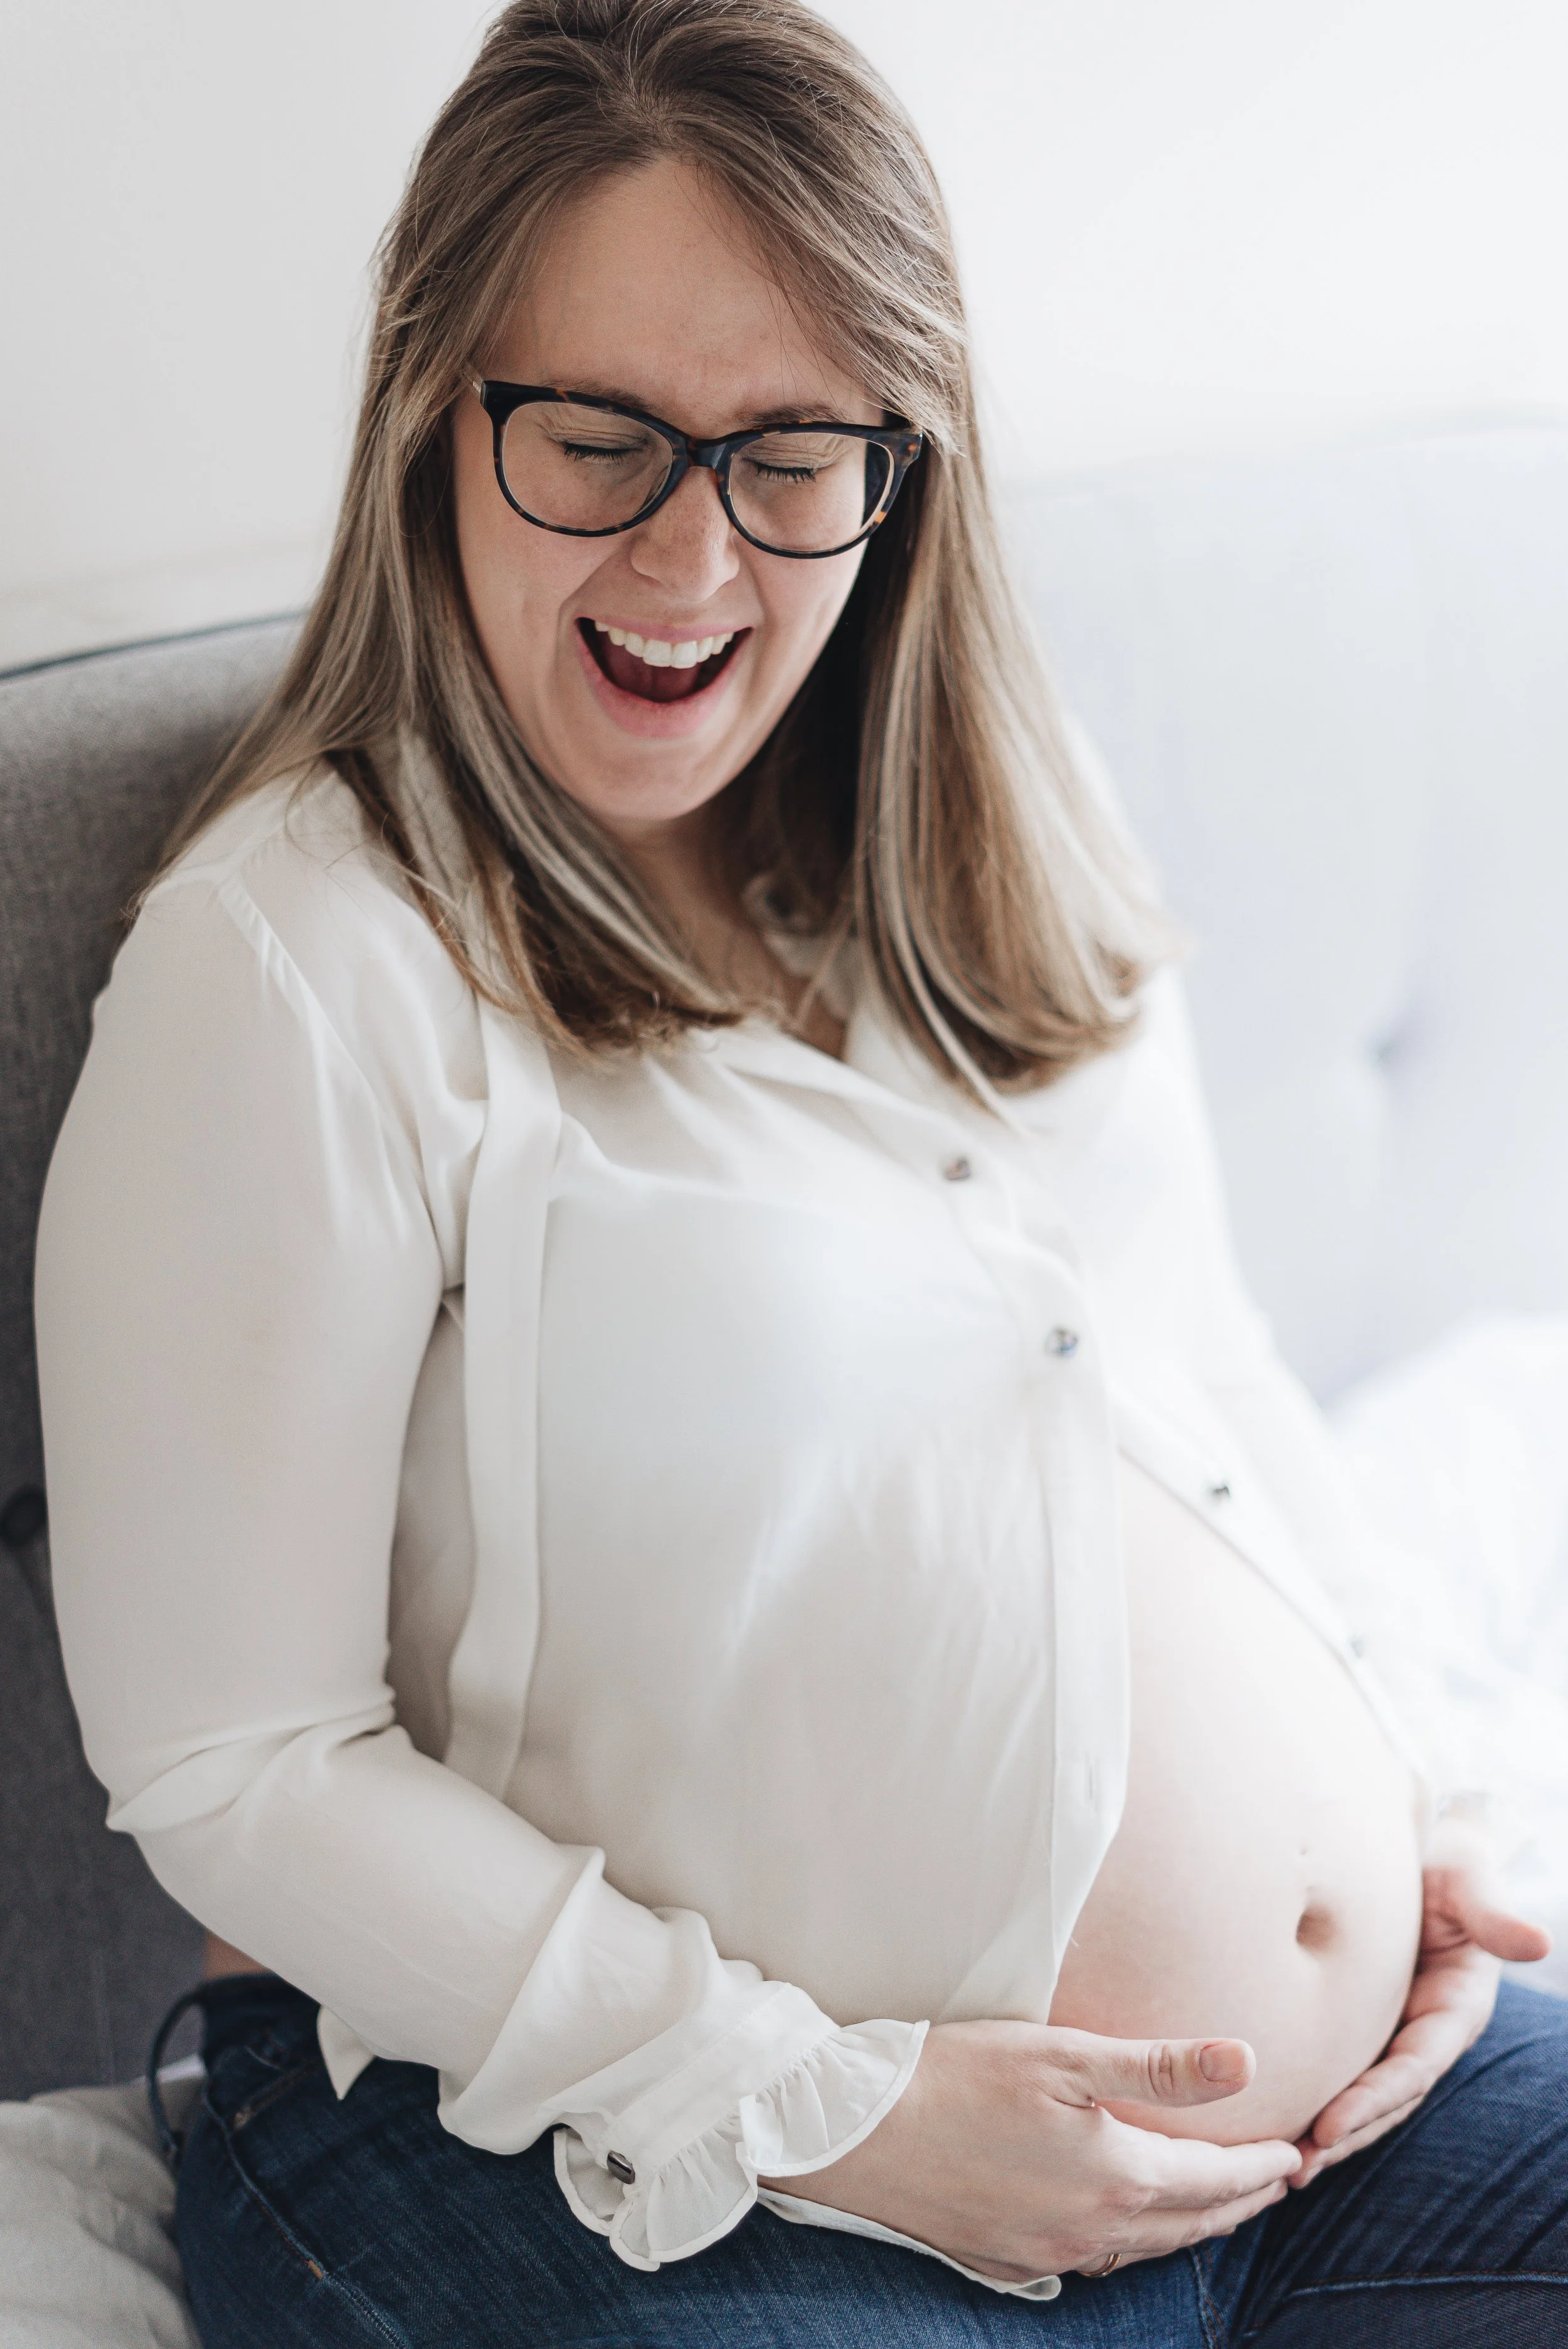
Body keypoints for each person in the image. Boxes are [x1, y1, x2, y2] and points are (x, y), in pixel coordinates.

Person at [34, 2, 1565, 2342]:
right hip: (604, 2159)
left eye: (786, 456)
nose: (688, 553)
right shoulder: (302, 956)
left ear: (897, 472)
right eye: (600, 438)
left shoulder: (981, 874)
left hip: (1308, 2142)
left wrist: (1421, 1819)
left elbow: (1205, 1382)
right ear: (436, 420)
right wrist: (832, 2105)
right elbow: (237, 1766)